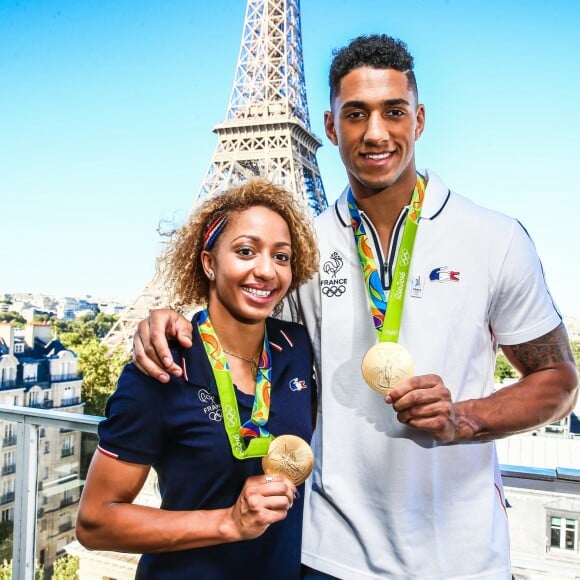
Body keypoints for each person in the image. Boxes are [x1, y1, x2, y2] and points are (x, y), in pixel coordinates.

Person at [131, 35, 579, 579]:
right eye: (355, 114)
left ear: (419, 119)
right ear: (328, 125)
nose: (375, 132)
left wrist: (465, 417)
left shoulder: (495, 238)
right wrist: (170, 320)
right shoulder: (301, 253)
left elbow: (559, 379)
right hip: (329, 555)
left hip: (463, 559)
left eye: (394, 112)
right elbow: (242, 345)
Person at [76, 178, 319, 579]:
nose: (266, 270)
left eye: (282, 256)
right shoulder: (163, 366)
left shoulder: (296, 349)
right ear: (209, 262)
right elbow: (94, 521)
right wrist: (228, 522)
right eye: (245, 251)